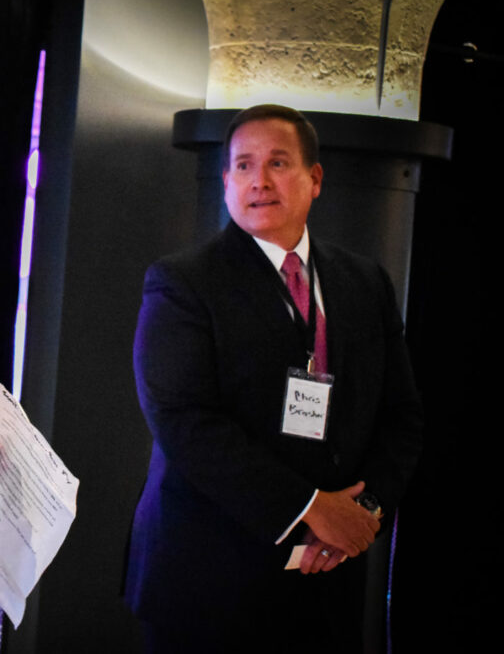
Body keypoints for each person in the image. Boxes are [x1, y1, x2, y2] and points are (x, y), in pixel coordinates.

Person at [124, 104, 422, 653]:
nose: (258, 180)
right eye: (242, 166)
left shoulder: (365, 281)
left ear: (315, 179)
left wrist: (363, 514)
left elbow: (401, 416)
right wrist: (311, 509)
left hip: (328, 575)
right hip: (210, 580)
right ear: (225, 181)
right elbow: (185, 424)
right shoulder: (182, 283)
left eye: (278, 163)